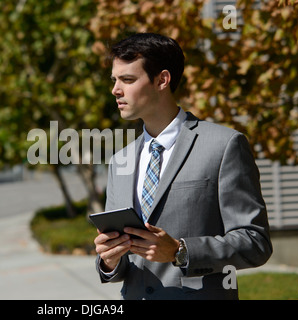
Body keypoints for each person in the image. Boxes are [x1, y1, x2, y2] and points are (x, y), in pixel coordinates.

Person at [94, 33, 272, 300]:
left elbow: (255, 242)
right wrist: (109, 259)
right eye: (115, 80)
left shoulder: (224, 146)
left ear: (162, 80)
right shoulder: (120, 160)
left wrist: (181, 250)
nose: (115, 90)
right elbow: (122, 263)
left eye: (127, 80)